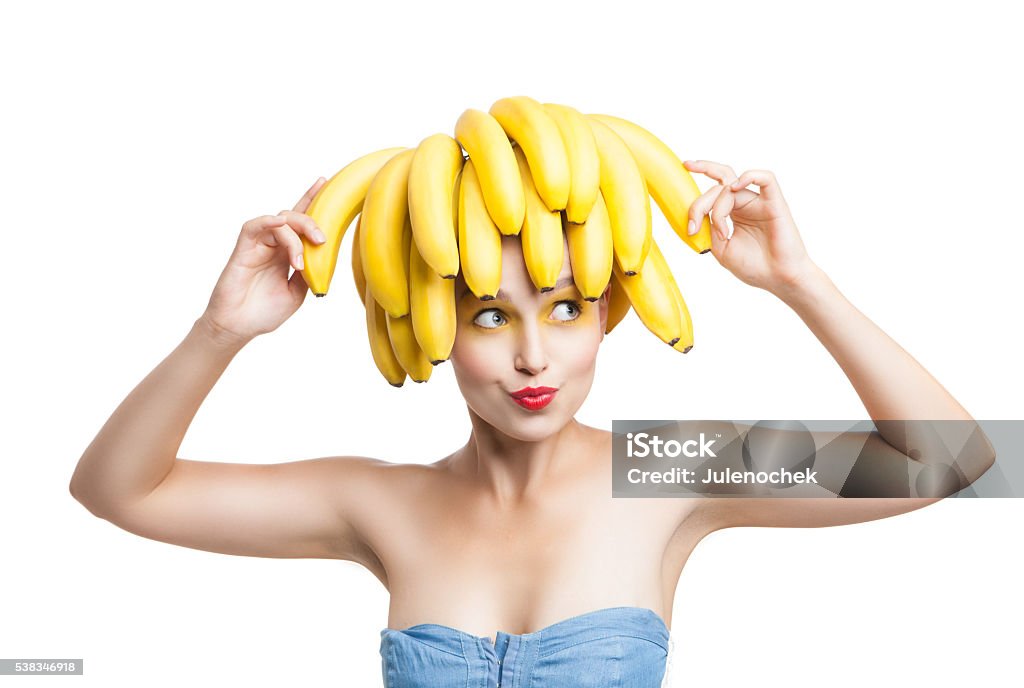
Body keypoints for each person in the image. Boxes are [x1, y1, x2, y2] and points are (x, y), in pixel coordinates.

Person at [69, 159, 995, 688]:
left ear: (608, 318)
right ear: (429, 328)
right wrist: (220, 330)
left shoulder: (669, 468)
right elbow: (116, 491)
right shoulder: (381, 501)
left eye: (563, 310)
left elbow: (954, 462)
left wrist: (802, 282)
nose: (533, 359)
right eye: (487, 316)